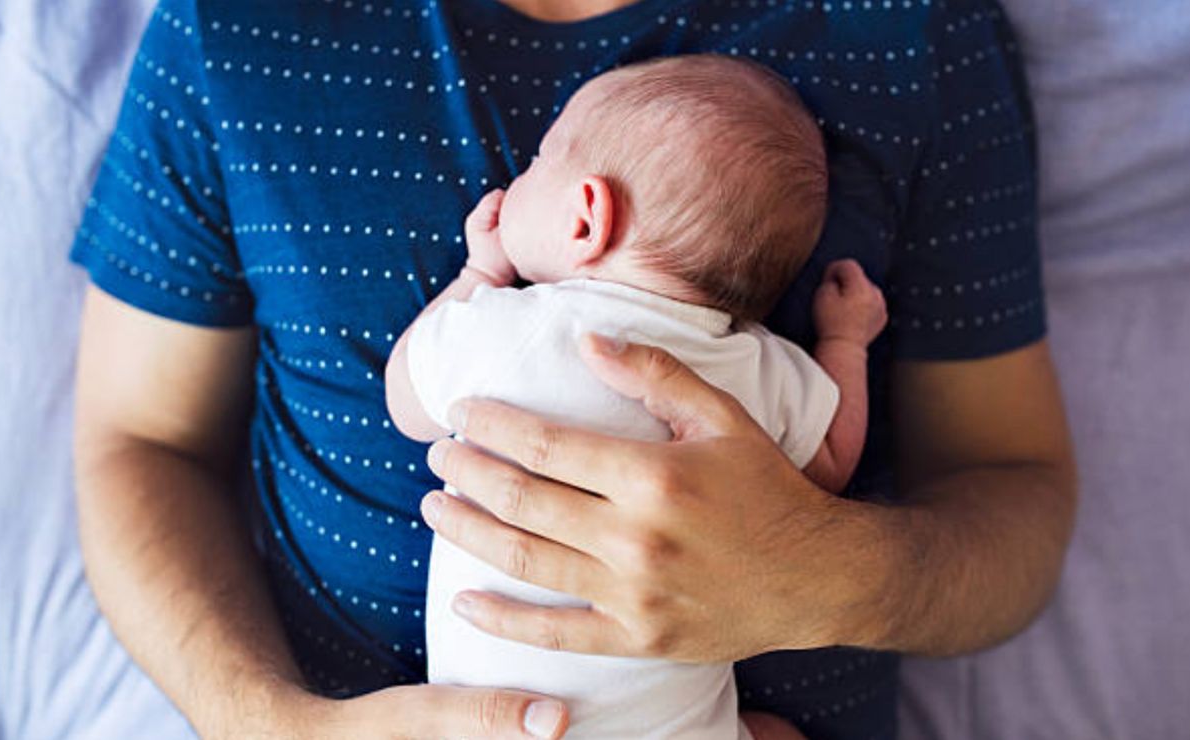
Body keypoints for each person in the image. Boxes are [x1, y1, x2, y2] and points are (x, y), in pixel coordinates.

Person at [70, 1, 1075, 738]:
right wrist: (263, 724)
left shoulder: (912, 29)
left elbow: (1011, 486)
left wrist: (822, 578)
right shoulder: (233, 26)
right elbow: (140, 440)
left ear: (585, 215)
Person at [386, 55, 886, 739]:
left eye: (538, 163)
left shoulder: (508, 329)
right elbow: (829, 465)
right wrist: (846, 342)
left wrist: (479, 274)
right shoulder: (755, 367)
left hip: (500, 725)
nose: (518, 179)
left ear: (585, 220)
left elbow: (405, 404)